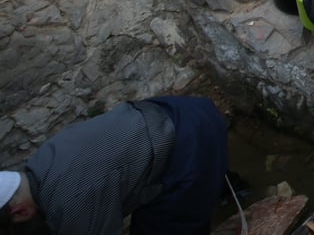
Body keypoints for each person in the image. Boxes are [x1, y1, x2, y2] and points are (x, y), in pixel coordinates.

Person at [0, 95, 228, 235]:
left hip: (190, 140)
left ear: (20, 213)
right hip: (179, 108)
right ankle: (221, 187)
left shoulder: (68, 209)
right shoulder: (40, 162)